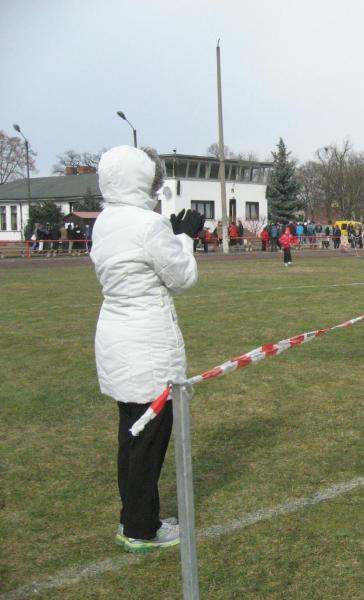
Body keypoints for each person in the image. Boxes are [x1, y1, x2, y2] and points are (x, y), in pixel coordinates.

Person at [90, 145, 205, 554]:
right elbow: (183, 278)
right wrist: (185, 237)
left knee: (132, 435)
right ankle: (140, 527)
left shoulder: (105, 221)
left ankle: (136, 516)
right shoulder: (147, 224)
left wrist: (170, 236)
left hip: (116, 337)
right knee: (148, 440)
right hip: (146, 345)